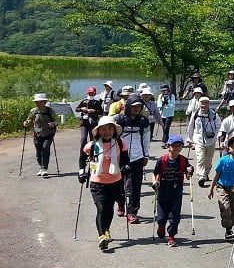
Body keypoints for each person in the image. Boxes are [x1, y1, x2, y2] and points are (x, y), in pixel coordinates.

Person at [79, 115, 129, 250]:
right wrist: (81, 172)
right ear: (98, 131)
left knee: (109, 209)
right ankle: (102, 236)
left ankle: (106, 230)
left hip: (115, 181)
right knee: (102, 208)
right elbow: (82, 158)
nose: (107, 131)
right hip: (97, 182)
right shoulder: (92, 146)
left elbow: (125, 159)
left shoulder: (120, 143)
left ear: (114, 130)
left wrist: (126, 166)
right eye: (103, 129)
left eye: (109, 129)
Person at [150, 135, 194, 247]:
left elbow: (188, 176)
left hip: (176, 191)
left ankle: (171, 236)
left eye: (179, 145)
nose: (177, 148)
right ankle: (161, 226)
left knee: (175, 216)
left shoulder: (183, 160)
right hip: (162, 191)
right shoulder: (162, 160)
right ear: (168, 147)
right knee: (161, 217)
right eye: (174, 145)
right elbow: (155, 174)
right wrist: (155, 182)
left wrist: (189, 171)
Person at [115, 95, 151, 224]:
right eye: (134, 106)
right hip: (120, 156)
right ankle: (120, 203)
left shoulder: (143, 121)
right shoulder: (118, 119)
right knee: (118, 184)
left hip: (137, 156)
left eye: (139, 107)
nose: (136, 109)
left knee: (135, 186)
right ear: (128, 106)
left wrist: (146, 155)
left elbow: (147, 139)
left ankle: (132, 212)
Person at [208, 134, 234, 240]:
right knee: (225, 206)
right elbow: (217, 175)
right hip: (222, 186)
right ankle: (228, 229)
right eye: (233, 146)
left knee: (233, 209)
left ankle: (230, 229)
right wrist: (211, 189)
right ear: (228, 149)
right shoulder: (223, 160)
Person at [186, 95, 221, 187]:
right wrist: (190, 139)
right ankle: (201, 176)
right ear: (199, 104)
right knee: (200, 158)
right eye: (202, 103)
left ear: (209, 104)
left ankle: (206, 173)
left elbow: (219, 126)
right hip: (199, 140)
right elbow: (190, 127)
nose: (204, 105)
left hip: (211, 140)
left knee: (208, 160)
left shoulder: (214, 115)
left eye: (206, 103)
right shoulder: (195, 114)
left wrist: (216, 135)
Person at [24, 93, 57, 177]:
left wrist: (53, 123)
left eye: (40, 101)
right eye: (37, 102)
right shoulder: (33, 111)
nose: (38, 103)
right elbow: (29, 120)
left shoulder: (49, 111)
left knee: (45, 149)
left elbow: (57, 121)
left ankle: (44, 168)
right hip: (37, 133)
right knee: (38, 152)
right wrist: (26, 123)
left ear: (45, 102)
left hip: (48, 133)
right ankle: (41, 167)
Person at [74, 86, 104, 153]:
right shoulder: (84, 101)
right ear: (87, 94)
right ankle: (83, 152)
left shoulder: (97, 102)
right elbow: (76, 109)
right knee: (83, 138)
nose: (91, 95)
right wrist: (82, 109)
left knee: (93, 138)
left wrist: (94, 111)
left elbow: (101, 112)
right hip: (84, 122)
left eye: (92, 94)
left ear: (94, 94)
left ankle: (92, 152)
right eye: (90, 94)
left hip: (93, 122)